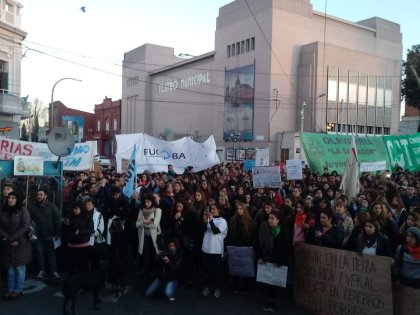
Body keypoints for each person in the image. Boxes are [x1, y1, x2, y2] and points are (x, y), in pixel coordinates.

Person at [256, 210, 291, 312]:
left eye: (272, 218)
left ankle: (273, 303)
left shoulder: (284, 232)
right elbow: (259, 244)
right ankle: (268, 301)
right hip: (266, 260)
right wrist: (260, 257)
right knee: (267, 283)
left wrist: (280, 261)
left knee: (275, 284)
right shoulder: (264, 229)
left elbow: (286, 249)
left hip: (278, 262)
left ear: (278, 220)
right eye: (269, 218)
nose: (270, 220)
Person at [0, 192, 32, 300]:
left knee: (19, 267)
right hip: (7, 243)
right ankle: (10, 289)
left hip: (20, 243)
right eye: (9, 198)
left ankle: (18, 290)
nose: (10, 200)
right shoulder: (3, 209)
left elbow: (25, 225)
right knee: (10, 268)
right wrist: (8, 238)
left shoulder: (22, 210)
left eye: (13, 198)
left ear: (17, 199)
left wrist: (13, 238)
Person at [30, 187, 61, 279]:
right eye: (38, 195)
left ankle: (54, 271)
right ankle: (42, 270)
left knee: (51, 254)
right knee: (40, 254)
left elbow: (57, 220)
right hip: (38, 235)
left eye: (41, 194)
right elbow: (29, 221)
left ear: (45, 195)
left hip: (50, 235)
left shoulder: (52, 206)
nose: (38, 196)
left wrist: (57, 233)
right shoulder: (33, 207)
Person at [226, 202, 256, 294]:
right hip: (235, 247)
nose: (239, 211)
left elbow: (253, 236)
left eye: (241, 209)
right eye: (238, 209)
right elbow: (229, 235)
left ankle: (245, 286)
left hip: (246, 248)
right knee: (235, 266)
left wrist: (252, 248)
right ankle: (234, 285)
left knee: (245, 267)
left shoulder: (251, 222)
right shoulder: (232, 221)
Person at [201, 203, 228, 299]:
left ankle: (218, 288)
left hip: (216, 250)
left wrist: (211, 220)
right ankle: (207, 287)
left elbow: (216, 231)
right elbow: (203, 231)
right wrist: (204, 221)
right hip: (206, 249)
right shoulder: (208, 220)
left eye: (214, 209)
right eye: (211, 209)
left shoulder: (223, 221)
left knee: (217, 271)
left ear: (219, 210)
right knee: (207, 270)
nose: (212, 210)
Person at [136, 194, 163, 280]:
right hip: (145, 236)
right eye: (145, 202)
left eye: (148, 201)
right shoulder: (141, 210)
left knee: (155, 255)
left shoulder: (157, 210)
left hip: (155, 236)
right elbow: (137, 224)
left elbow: (155, 224)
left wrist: (143, 223)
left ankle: (156, 275)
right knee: (146, 256)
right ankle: (148, 274)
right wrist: (145, 222)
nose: (146, 203)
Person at [67, 202, 94, 274]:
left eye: (76, 208)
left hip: (83, 245)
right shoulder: (71, 216)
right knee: (72, 265)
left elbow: (91, 230)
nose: (74, 210)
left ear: (81, 209)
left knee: (83, 265)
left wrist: (80, 232)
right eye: (73, 209)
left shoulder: (87, 217)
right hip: (72, 245)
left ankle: (83, 281)